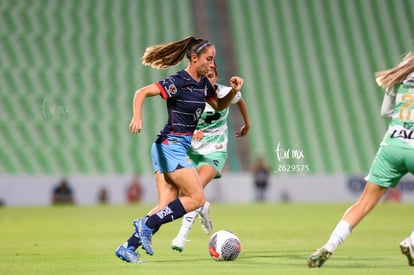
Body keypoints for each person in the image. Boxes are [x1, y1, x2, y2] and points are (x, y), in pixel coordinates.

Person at [115, 36, 244, 263]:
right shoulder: (179, 81)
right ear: (194, 58)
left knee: (165, 206)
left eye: (214, 60)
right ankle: (146, 224)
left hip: (171, 147)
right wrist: (137, 116)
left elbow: (220, 105)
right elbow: (141, 92)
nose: (213, 65)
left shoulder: (204, 84)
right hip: (170, 146)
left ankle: (128, 246)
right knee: (196, 199)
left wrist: (233, 91)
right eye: (209, 59)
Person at [307, 52, 414, 268]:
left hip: (391, 145)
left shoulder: (401, 76)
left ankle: (330, 245)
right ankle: (411, 241)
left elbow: (385, 112)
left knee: (363, 203)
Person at [171, 65, 250, 252]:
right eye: (203, 76)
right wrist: (192, 132)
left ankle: (181, 236)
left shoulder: (225, 93)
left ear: (216, 77)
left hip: (216, 150)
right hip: (192, 151)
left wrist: (247, 124)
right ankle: (203, 206)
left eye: (211, 76)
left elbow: (239, 100)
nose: (207, 79)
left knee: (195, 189)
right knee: (186, 195)